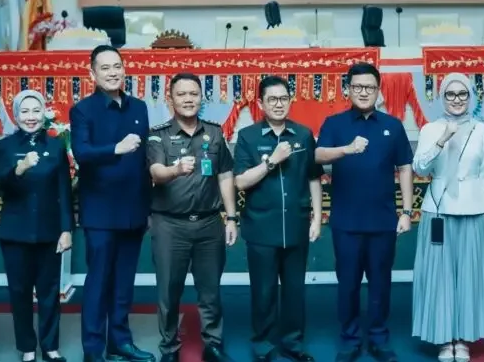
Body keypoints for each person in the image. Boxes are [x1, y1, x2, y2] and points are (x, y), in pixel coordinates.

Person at [315, 62, 414, 362]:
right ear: (347, 89)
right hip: (346, 222)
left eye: (369, 87)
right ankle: (350, 339)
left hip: (383, 221)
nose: (363, 92)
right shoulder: (335, 123)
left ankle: (379, 338)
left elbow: (405, 167)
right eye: (357, 86)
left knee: (381, 284)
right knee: (348, 284)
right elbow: (318, 155)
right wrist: (346, 149)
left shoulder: (393, 125)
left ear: (378, 90)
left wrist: (406, 211)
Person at [70, 45, 155, 362]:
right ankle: (93, 350)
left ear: (124, 69)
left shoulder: (139, 107)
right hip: (100, 213)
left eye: (117, 66)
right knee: (98, 284)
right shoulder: (83, 110)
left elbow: (144, 161)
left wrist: (148, 207)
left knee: (123, 283)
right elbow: (81, 153)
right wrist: (115, 149)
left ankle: (120, 342)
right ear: (92, 73)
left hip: (134, 210)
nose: (112, 72)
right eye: (105, 68)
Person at [146, 73, 238, 362]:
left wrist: (231, 217)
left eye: (194, 94)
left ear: (202, 98)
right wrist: (175, 170)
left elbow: (225, 174)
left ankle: (213, 345)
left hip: (210, 224)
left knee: (210, 292)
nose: (188, 99)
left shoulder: (215, 133)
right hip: (169, 225)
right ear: (170, 99)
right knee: (168, 293)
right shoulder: (158, 135)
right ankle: (169, 348)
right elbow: (156, 173)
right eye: (182, 94)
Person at [411, 73, 484, 362]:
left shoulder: (481, 130)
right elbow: (420, 168)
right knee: (440, 277)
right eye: (451, 94)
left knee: (469, 277)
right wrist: (442, 140)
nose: (457, 99)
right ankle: (443, 337)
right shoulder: (430, 129)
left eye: (463, 94)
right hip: (438, 211)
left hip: (474, 211)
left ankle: (462, 338)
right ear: (442, 97)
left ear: (470, 97)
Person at [234, 75, 323, 362]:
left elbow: (313, 178)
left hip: (296, 225)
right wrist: (272, 160)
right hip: (261, 228)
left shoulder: (303, 135)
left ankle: (293, 344)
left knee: (295, 291)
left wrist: (317, 218)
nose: (278, 104)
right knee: (263, 292)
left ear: (290, 100)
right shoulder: (248, 136)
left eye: (283, 98)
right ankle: (262, 345)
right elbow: (240, 181)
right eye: (272, 99)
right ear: (260, 103)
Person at [0, 90, 74, 362]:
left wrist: (66, 229)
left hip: (49, 232)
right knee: (19, 293)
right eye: (25, 111)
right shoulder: (4, 146)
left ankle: (50, 346)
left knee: (50, 293)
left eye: (36, 111)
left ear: (43, 114)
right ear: (16, 115)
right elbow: (3, 184)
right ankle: (27, 347)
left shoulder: (56, 145)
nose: (31, 117)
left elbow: (64, 190)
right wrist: (19, 168)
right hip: (15, 233)